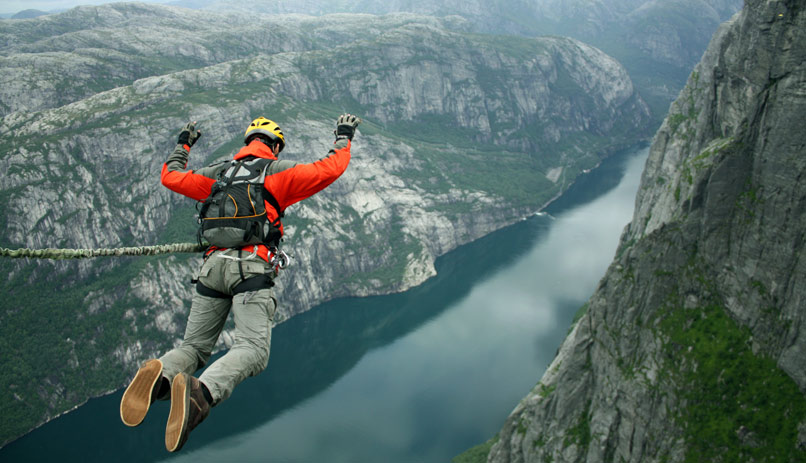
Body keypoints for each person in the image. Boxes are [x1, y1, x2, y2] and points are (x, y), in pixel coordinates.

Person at [119, 113, 361, 452]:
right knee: (252, 350)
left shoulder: (217, 174)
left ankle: (161, 374)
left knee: (193, 348)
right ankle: (200, 393)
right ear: (274, 146)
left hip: (211, 269)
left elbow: (171, 177)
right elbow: (329, 169)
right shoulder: (277, 172)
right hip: (249, 270)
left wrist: (183, 145)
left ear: (247, 143)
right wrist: (343, 137)